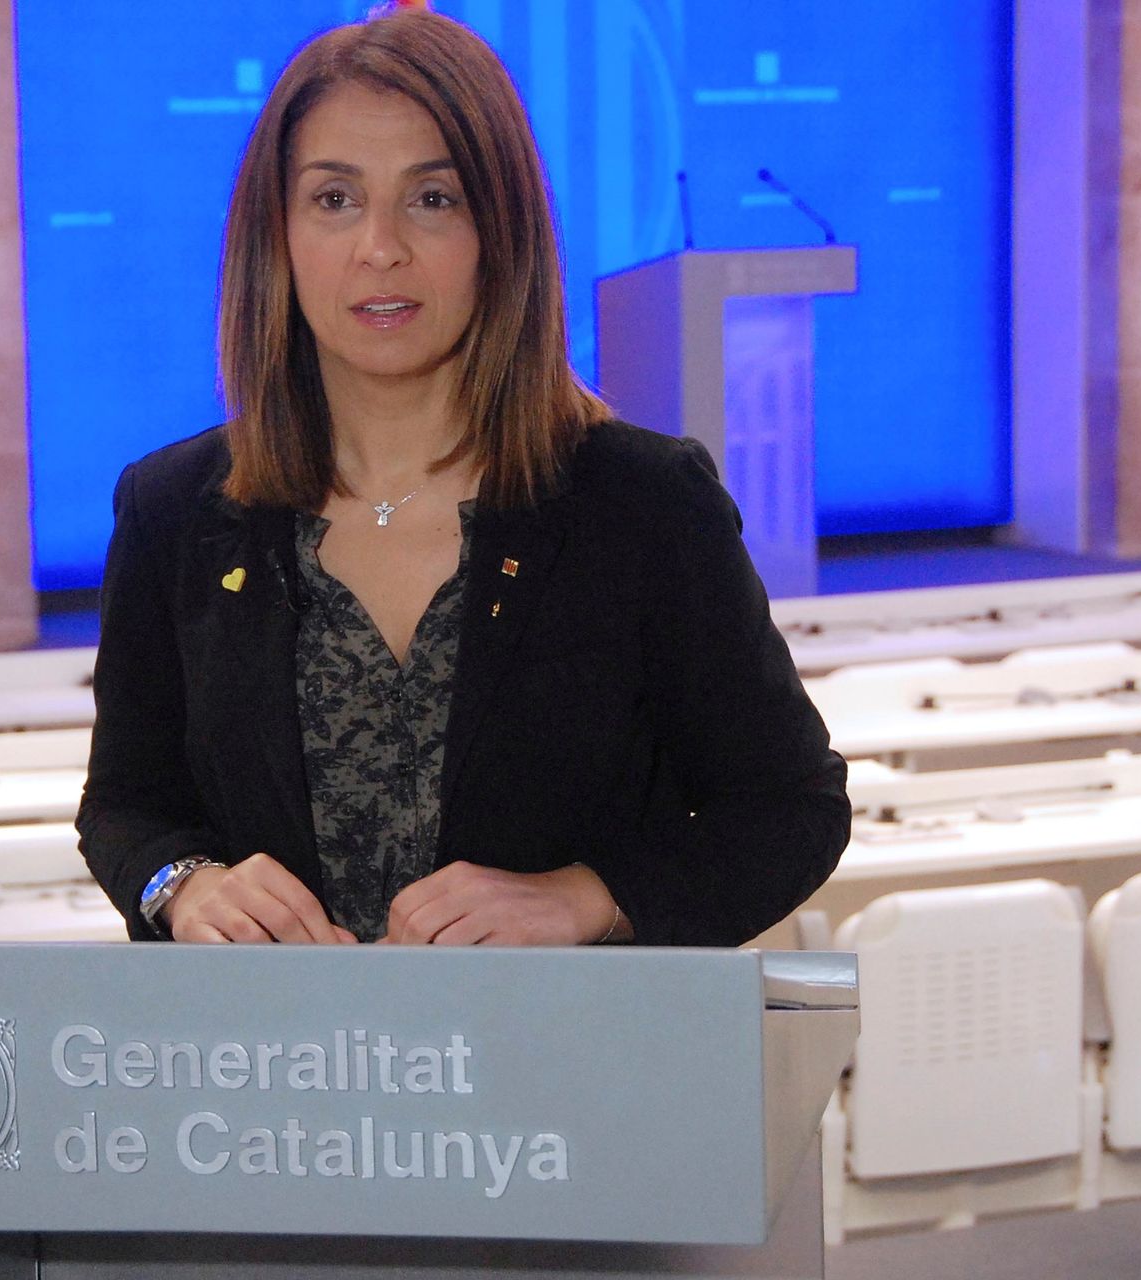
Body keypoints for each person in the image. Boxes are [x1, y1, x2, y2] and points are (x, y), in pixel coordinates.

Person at [76, 8, 848, 947]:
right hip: (271, 1044)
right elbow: (125, 805)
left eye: (433, 198)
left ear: (499, 230)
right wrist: (183, 885)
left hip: (562, 1042)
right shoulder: (174, 511)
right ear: (276, 234)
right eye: (334, 199)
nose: (380, 247)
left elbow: (790, 808)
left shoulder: (643, 503)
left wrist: (583, 898)